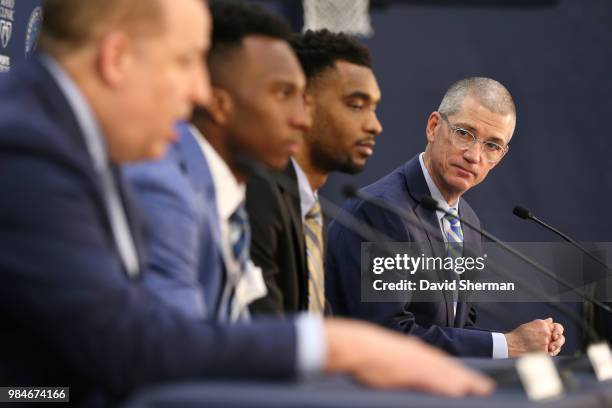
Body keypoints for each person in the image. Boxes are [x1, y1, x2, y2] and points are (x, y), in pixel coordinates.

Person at [0, 0, 494, 404]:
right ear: (116, 59)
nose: (199, 90)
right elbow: (125, 350)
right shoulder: (29, 149)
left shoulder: (80, 147)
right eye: (184, 61)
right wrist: (333, 346)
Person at [326, 77, 566, 358]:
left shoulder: (469, 222)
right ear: (433, 127)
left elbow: (456, 328)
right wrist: (507, 345)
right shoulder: (382, 212)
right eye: (464, 133)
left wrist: (524, 342)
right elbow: (387, 337)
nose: (474, 156)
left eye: (492, 146)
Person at [124, 0, 311, 321]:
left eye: (302, 97)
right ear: (219, 103)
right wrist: (323, 346)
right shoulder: (167, 190)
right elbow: (179, 349)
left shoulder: (229, 193)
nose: (302, 119)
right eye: (283, 94)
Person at [247, 29, 382, 316]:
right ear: (302, 104)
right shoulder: (258, 193)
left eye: (374, 108)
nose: (375, 125)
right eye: (356, 106)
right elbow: (268, 333)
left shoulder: (310, 207)